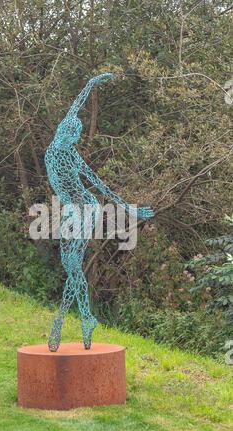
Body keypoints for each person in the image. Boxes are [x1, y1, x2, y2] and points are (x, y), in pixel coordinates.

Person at [45, 73, 154, 352]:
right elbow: (74, 108)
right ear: (66, 132)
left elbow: (99, 184)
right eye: (75, 135)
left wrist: (129, 209)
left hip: (85, 209)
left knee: (72, 263)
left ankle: (66, 321)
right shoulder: (57, 150)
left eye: (78, 137)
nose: (76, 140)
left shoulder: (70, 153)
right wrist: (89, 84)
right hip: (71, 211)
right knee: (70, 265)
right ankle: (85, 318)